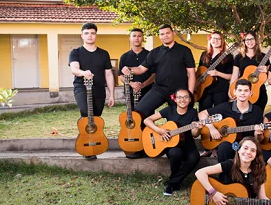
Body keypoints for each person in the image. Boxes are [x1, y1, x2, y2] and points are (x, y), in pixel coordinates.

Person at [121, 24, 196, 158]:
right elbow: (141, 69)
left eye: (167, 33)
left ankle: (179, 149)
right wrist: (129, 69)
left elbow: (191, 73)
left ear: (172, 33)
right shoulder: (154, 52)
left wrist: (189, 94)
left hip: (178, 93)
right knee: (139, 112)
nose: (164, 36)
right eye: (161, 34)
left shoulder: (184, 50)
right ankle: (144, 145)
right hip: (159, 89)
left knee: (181, 120)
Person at [69, 22, 115, 160]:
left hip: (99, 90)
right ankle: (85, 145)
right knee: (85, 113)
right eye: (87, 33)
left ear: (96, 35)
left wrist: (112, 94)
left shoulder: (103, 53)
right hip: (82, 87)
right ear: (82, 35)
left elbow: (108, 74)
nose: (90, 36)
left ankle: (92, 145)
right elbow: (74, 69)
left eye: (92, 33)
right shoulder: (76, 52)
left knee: (96, 118)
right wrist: (84, 72)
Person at [144, 88, 202, 196]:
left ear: (190, 100)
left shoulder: (193, 112)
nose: (182, 100)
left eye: (185, 97)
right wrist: (159, 130)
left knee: (195, 158)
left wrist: (198, 128)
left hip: (188, 143)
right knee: (175, 153)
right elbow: (147, 120)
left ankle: (172, 182)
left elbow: (194, 134)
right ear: (175, 99)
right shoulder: (169, 110)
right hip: (171, 144)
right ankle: (175, 182)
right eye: (179, 97)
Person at [198, 79, 264, 163]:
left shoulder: (257, 111)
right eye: (240, 90)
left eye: (246, 91)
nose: (242, 93)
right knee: (224, 147)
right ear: (234, 92)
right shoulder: (225, 107)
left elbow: (259, 139)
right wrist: (211, 128)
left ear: (250, 93)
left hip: (247, 146)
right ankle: (224, 174)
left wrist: (258, 134)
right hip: (228, 145)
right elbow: (202, 114)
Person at [229, 31, 270, 111]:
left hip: (259, 92)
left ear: (256, 40)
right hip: (242, 92)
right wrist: (230, 89)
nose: (249, 42)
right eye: (247, 40)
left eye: (251, 39)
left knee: (258, 117)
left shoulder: (263, 57)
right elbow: (235, 75)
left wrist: (267, 69)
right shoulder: (239, 57)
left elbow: (270, 75)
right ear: (244, 42)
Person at [118, 28, 155, 110]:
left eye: (139, 36)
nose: (136, 38)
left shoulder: (150, 55)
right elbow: (121, 76)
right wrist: (132, 84)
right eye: (134, 36)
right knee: (132, 117)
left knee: (147, 117)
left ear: (143, 38)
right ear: (130, 38)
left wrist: (143, 85)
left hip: (148, 91)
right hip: (130, 92)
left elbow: (154, 75)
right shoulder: (124, 56)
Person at [197, 32, 233, 112]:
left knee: (220, 113)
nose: (215, 40)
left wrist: (218, 73)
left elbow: (232, 76)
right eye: (213, 38)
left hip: (221, 90)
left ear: (222, 41)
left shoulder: (228, 56)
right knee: (203, 113)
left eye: (218, 39)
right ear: (210, 40)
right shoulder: (204, 54)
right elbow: (199, 71)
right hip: (205, 90)